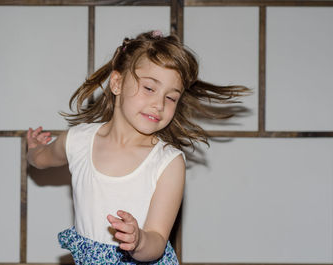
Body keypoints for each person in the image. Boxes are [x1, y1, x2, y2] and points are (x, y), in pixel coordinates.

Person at [27, 30, 250, 264]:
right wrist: (32, 149)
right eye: (149, 88)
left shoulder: (168, 162)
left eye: (171, 97)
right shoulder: (78, 140)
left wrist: (139, 241)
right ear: (117, 83)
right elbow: (41, 159)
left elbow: (157, 240)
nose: (158, 104)